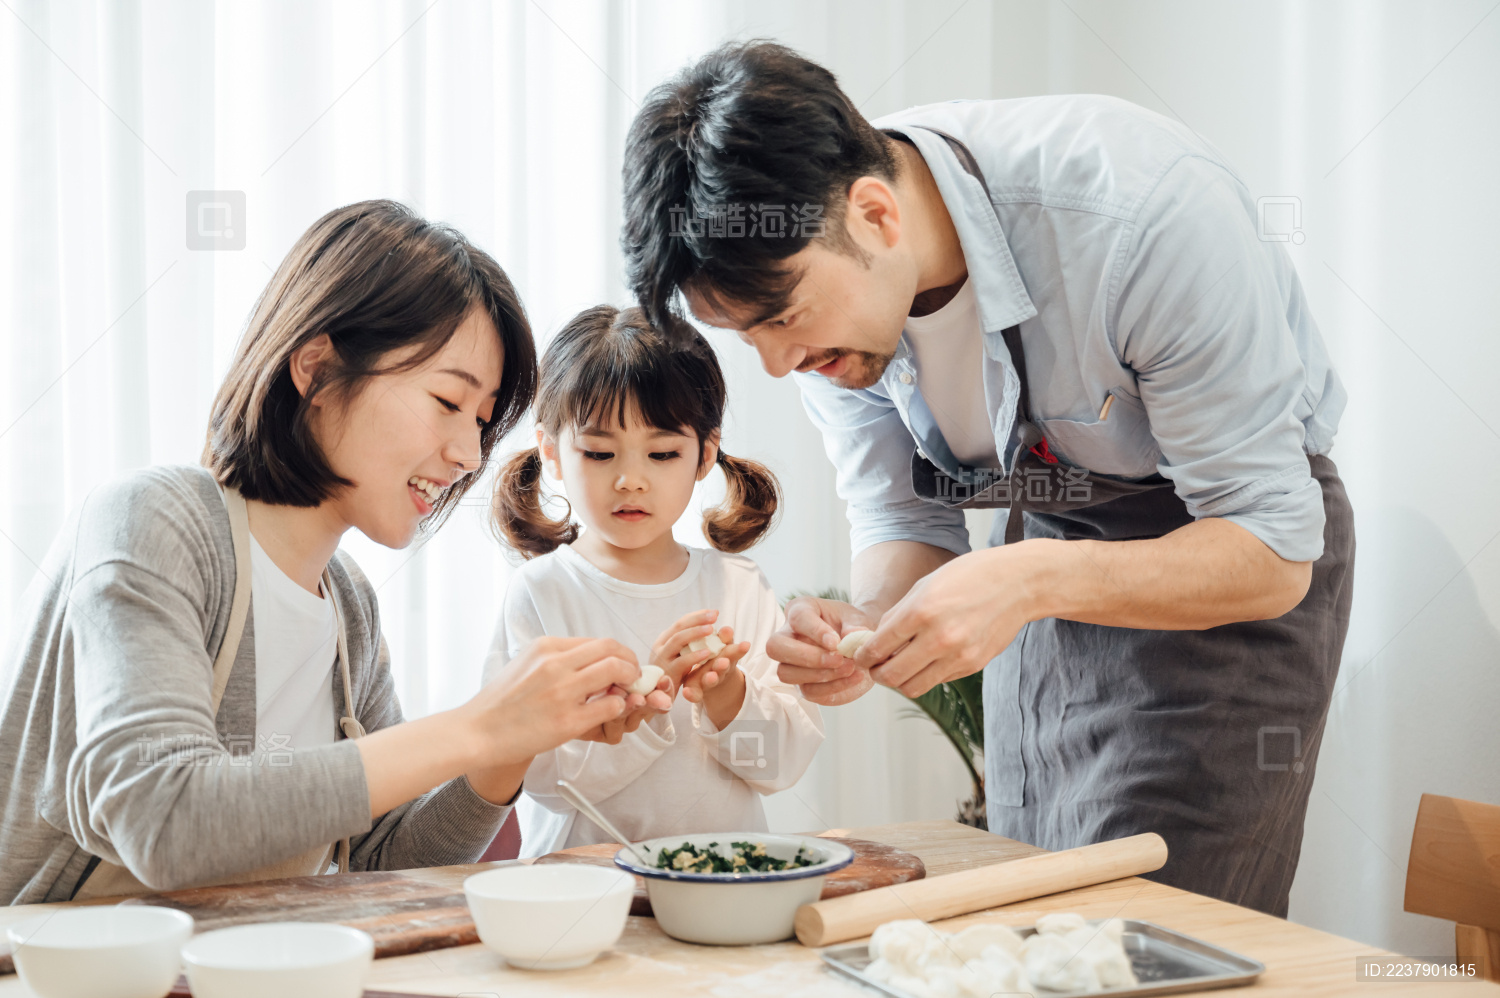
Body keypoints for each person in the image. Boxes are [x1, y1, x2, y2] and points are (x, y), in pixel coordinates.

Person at [619, 42, 1354, 917]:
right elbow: (902, 520)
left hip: (1228, 567)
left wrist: (1028, 578)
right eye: (749, 337)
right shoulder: (830, 313)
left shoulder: (1144, 216)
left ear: (875, 215)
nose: (779, 364)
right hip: (1045, 562)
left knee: (1153, 933)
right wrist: (871, 622)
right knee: (1033, 914)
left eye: (784, 319)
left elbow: (1273, 550)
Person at [0, 200, 653, 905]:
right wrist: (477, 725)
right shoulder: (154, 521)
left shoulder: (349, 607)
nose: (469, 454)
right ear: (315, 369)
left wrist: (509, 746)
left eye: (482, 420)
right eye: (446, 401)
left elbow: (386, 860)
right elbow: (164, 819)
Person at [486, 304, 823, 856]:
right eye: (599, 453)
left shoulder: (739, 586)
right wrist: (639, 712)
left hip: (719, 879)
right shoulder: (542, 592)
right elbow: (543, 781)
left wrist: (729, 696)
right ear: (552, 451)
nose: (630, 480)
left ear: (704, 455)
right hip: (585, 885)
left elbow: (780, 767)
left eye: (663, 453)